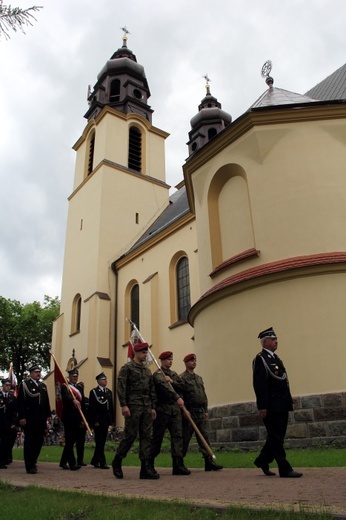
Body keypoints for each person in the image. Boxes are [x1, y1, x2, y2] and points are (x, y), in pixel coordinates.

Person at [252, 327, 303, 478]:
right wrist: (262, 405)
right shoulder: (260, 359)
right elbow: (259, 384)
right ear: (264, 342)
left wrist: (289, 399)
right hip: (271, 405)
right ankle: (284, 468)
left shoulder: (276, 358)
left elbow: (284, 381)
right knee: (276, 436)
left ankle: (262, 460)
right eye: (273, 339)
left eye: (276, 339)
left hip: (282, 403)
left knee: (277, 436)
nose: (276, 342)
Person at [112, 341, 159, 480]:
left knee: (146, 436)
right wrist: (124, 405)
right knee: (130, 435)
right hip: (133, 406)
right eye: (144, 353)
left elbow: (151, 390)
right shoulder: (127, 368)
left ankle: (144, 469)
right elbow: (121, 387)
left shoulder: (147, 370)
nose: (146, 355)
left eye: (146, 352)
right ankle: (117, 460)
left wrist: (153, 407)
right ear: (137, 353)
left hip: (146, 407)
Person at [180, 354, 223, 471]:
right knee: (185, 438)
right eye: (191, 360)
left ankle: (208, 461)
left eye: (195, 360)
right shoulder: (182, 378)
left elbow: (203, 395)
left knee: (204, 437)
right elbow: (180, 396)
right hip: (190, 413)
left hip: (200, 412)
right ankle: (179, 462)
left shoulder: (199, 378)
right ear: (186, 362)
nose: (194, 362)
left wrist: (205, 410)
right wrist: (184, 411)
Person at [151, 351, 190, 476]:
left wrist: (173, 382)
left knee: (178, 437)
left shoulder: (173, 374)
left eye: (171, 359)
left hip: (175, 411)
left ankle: (178, 465)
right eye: (168, 359)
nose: (170, 361)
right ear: (162, 361)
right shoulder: (158, 374)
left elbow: (184, 386)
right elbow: (163, 387)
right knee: (157, 437)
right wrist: (176, 396)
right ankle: (149, 463)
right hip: (162, 410)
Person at [17, 364, 51, 474]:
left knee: (39, 441)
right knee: (30, 441)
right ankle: (29, 465)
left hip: (41, 419)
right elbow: (21, 402)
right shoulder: (25, 384)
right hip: (30, 418)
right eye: (36, 372)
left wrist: (48, 415)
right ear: (31, 373)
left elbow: (46, 402)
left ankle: (33, 460)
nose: (38, 374)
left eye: (39, 372)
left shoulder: (43, 386)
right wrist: (22, 416)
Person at [59, 368, 87, 471]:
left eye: (76, 376)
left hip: (78, 418)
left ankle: (63, 462)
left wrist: (84, 419)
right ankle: (72, 463)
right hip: (69, 418)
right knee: (70, 440)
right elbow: (65, 397)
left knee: (73, 441)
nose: (75, 378)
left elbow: (82, 403)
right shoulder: (65, 386)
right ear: (69, 377)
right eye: (73, 376)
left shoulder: (79, 387)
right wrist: (72, 400)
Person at [88, 372, 114, 469]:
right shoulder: (94, 392)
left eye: (106, 379)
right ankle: (102, 462)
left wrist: (112, 420)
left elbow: (111, 407)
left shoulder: (108, 392)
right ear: (98, 381)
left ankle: (95, 460)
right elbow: (92, 408)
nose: (105, 381)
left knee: (102, 441)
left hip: (106, 420)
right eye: (103, 379)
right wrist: (94, 420)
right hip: (98, 420)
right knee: (99, 441)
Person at [0, 379, 17, 469]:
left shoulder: (12, 398)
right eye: (6, 385)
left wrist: (14, 423)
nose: (7, 387)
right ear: (2, 386)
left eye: (9, 386)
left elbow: (15, 412)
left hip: (8, 424)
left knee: (6, 443)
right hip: (0, 423)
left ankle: (4, 460)